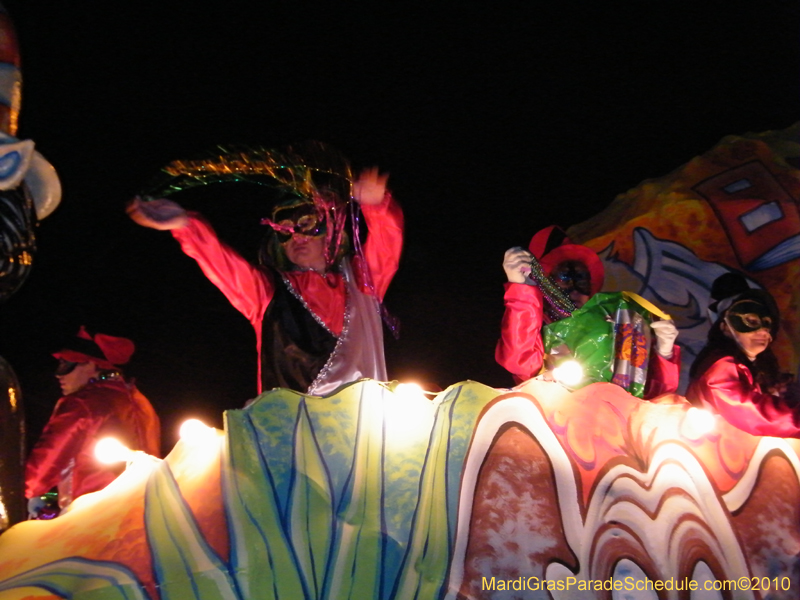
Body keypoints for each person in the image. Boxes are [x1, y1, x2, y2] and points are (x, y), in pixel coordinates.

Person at [127, 167, 403, 396]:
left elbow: (387, 242)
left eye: (306, 224)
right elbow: (224, 266)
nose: (296, 236)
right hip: (292, 431)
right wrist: (186, 225)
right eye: (285, 231)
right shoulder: (268, 291)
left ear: (330, 231)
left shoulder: (362, 282)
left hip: (362, 429)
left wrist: (376, 204)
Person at [496, 225, 680, 397]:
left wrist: (664, 352)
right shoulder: (539, 333)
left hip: (619, 414)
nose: (575, 290)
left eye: (582, 280)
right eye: (564, 279)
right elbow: (518, 360)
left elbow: (654, 395)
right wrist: (521, 289)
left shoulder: (617, 321)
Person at [25, 327, 161, 515]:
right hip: (146, 514)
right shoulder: (141, 403)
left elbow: (40, 472)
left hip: (95, 515)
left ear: (91, 364)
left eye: (67, 365)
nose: (59, 375)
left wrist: (16, 490)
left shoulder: (83, 403)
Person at [687, 273, 800, 437]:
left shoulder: (749, 368)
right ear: (725, 327)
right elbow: (749, 412)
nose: (763, 330)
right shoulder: (720, 367)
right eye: (751, 321)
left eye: (767, 324)